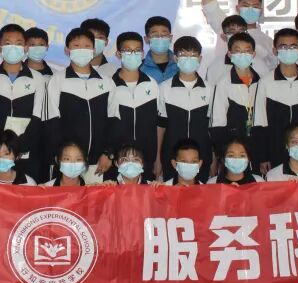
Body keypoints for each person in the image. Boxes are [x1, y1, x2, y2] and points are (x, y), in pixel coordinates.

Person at [44, 27, 118, 181]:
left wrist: (108, 153)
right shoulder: (57, 80)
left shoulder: (107, 82)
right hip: (68, 163)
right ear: (67, 50)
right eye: (76, 46)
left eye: (87, 46)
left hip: (99, 164)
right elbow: (51, 123)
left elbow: (114, 122)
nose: (82, 50)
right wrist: (61, 157)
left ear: (93, 50)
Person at [0, 23, 47, 181]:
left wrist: (19, 147)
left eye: (19, 43)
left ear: (26, 48)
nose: (13, 48)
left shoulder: (38, 79)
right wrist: (2, 149)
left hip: (27, 153)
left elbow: (38, 116)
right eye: (8, 43)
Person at [252, 27, 298, 174]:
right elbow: (259, 122)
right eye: (283, 47)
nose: (288, 50)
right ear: (275, 51)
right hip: (274, 154)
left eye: (293, 46)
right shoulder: (265, 83)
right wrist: (263, 157)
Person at [158, 36, 214, 182]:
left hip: (201, 158)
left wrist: (214, 160)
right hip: (171, 158)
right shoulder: (164, 88)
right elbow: (160, 127)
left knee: (200, 194)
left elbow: (212, 129)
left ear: (200, 59)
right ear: (175, 58)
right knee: (172, 194)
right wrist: (157, 159)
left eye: (193, 55)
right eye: (183, 55)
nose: (189, 59)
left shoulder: (210, 89)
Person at [108, 31, 164, 175]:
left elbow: (159, 124)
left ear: (143, 54)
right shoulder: (109, 85)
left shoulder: (152, 84)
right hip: (116, 160)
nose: (133, 54)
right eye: (127, 51)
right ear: (118, 54)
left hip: (146, 160)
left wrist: (157, 158)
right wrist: (108, 154)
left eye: (137, 50)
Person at [210, 32, 261, 161]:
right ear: (229, 54)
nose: (242, 55)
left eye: (247, 51)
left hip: (257, 144)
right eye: (237, 51)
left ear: (253, 54)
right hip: (233, 147)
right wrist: (223, 152)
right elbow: (218, 121)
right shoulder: (223, 83)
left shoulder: (261, 81)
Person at [203, 15, 272, 81]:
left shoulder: (260, 64)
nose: (237, 35)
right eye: (232, 32)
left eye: (241, 31)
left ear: (247, 34)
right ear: (223, 37)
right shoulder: (215, 68)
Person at [141, 16, 178, 83]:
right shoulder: (139, 68)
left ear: (170, 38)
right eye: (155, 35)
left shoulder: (181, 65)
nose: (160, 38)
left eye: (164, 35)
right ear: (146, 39)